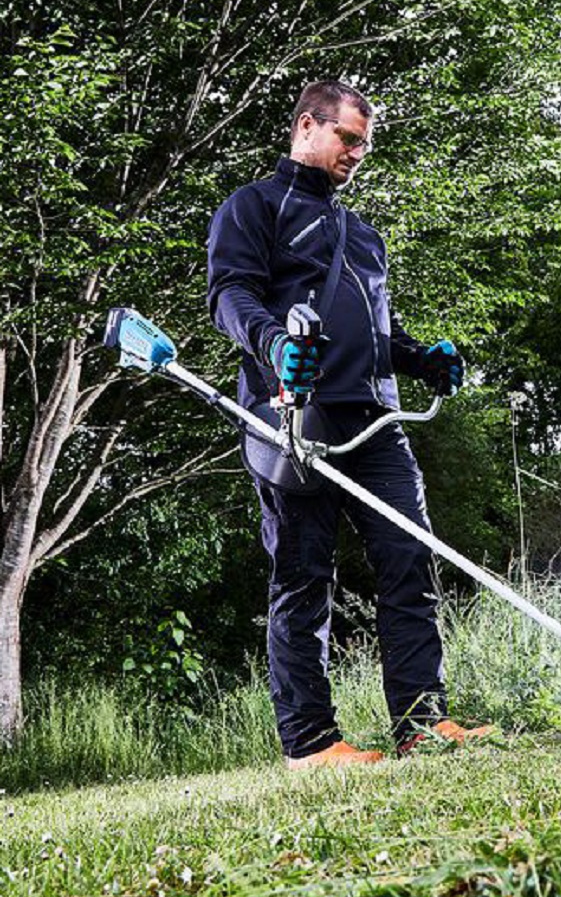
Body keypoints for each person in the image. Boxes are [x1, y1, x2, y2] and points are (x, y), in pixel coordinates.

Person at [207, 79, 489, 768]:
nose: (358, 154)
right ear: (308, 125)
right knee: (304, 578)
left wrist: (421, 359)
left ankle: (423, 722)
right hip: (295, 419)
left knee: (408, 560)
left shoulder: (362, 236)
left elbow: (372, 335)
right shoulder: (254, 208)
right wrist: (276, 345)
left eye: (365, 144)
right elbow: (230, 297)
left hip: (376, 423)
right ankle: (311, 743)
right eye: (349, 138)